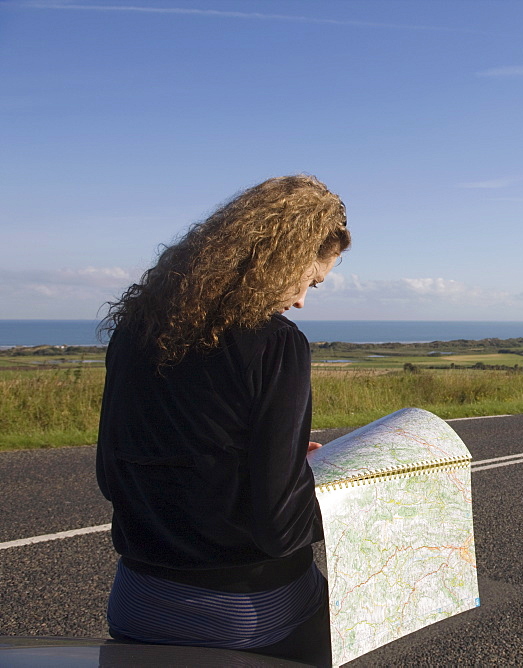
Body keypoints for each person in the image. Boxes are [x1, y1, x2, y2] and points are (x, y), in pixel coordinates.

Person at [96, 174, 350, 667]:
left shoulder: (134, 331)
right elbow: (280, 527)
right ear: (279, 260)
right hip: (248, 616)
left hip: (136, 604)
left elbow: (112, 476)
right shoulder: (275, 344)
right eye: (310, 280)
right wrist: (345, 497)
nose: (301, 300)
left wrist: (259, 462)